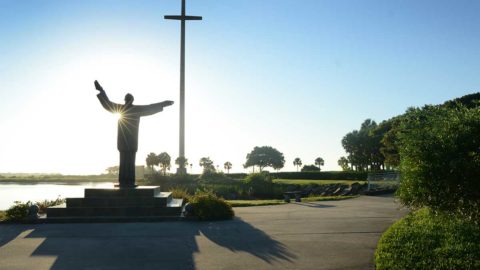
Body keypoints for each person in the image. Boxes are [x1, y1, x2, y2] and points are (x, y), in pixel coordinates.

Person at [94, 80, 173, 187]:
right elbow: (149, 108)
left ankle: (127, 181)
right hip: (129, 142)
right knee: (127, 162)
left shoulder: (122, 109)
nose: (127, 101)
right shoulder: (132, 109)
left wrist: (101, 91)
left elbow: (107, 104)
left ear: (128, 100)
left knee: (126, 161)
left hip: (126, 142)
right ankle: (127, 181)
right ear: (129, 100)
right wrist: (163, 104)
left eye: (127, 99)